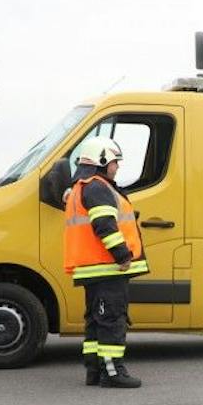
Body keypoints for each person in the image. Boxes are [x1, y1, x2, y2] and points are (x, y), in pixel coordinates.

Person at [63, 137, 147, 389]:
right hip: (107, 267)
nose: (117, 166)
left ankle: (94, 370)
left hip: (94, 268)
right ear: (101, 161)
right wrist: (122, 255)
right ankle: (112, 373)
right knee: (111, 320)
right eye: (114, 161)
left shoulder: (83, 187)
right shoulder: (98, 188)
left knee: (96, 321)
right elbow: (105, 226)